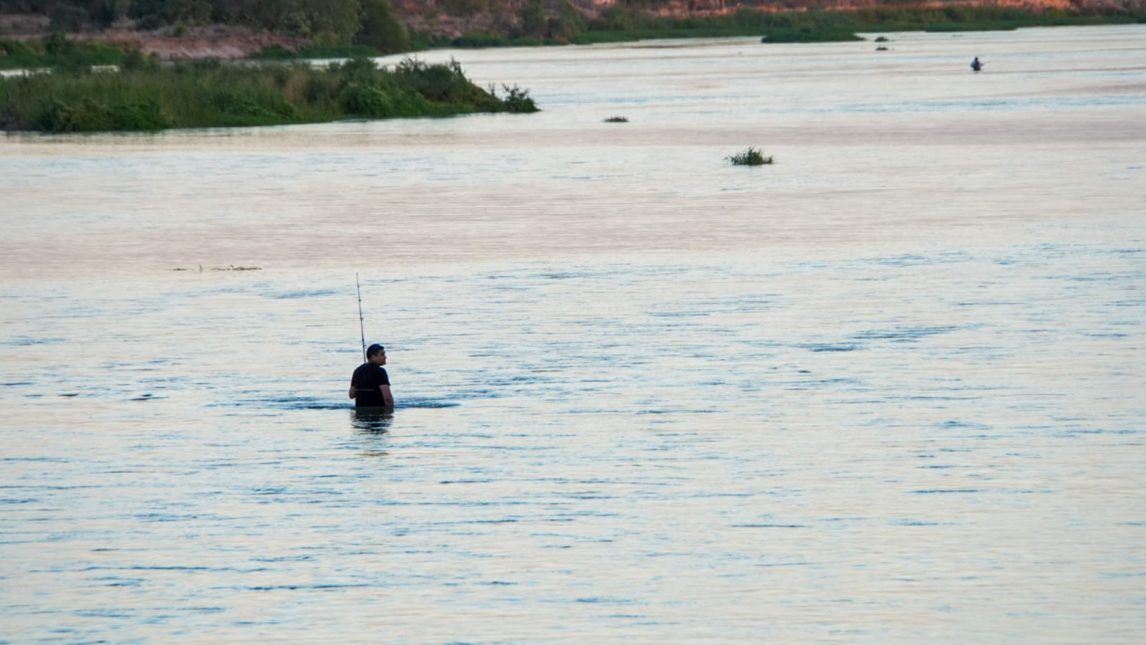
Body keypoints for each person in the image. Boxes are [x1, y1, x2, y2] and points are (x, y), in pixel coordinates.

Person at [349, 343, 394, 409]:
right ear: (373, 357)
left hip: (360, 416)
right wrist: (390, 413)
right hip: (377, 414)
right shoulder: (380, 371)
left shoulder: (357, 370)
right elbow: (387, 398)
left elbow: (351, 394)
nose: (385, 357)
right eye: (382, 354)